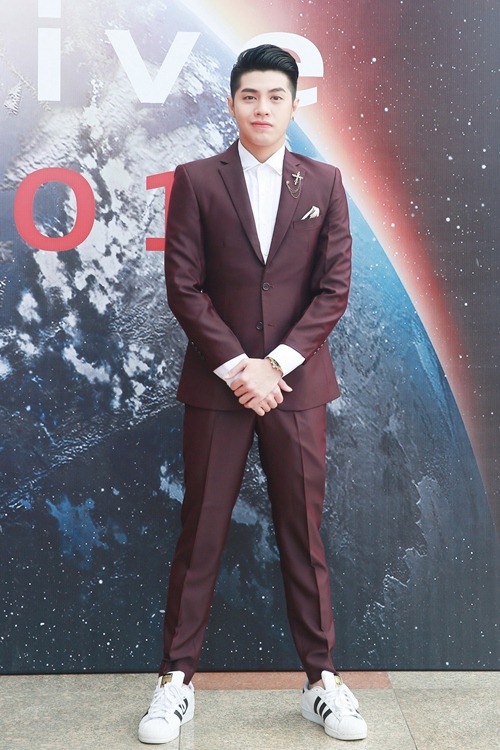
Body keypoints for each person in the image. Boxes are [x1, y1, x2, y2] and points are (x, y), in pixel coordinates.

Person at [138, 44, 367, 744]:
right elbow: (184, 287)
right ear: (232, 102)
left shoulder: (325, 182)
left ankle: (321, 682)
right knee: (200, 534)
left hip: (296, 389)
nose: (262, 108)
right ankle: (175, 682)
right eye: (249, 96)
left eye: (275, 96)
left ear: (295, 104)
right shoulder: (196, 180)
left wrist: (277, 367)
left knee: (304, 535)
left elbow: (333, 289)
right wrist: (242, 367)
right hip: (220, 388)